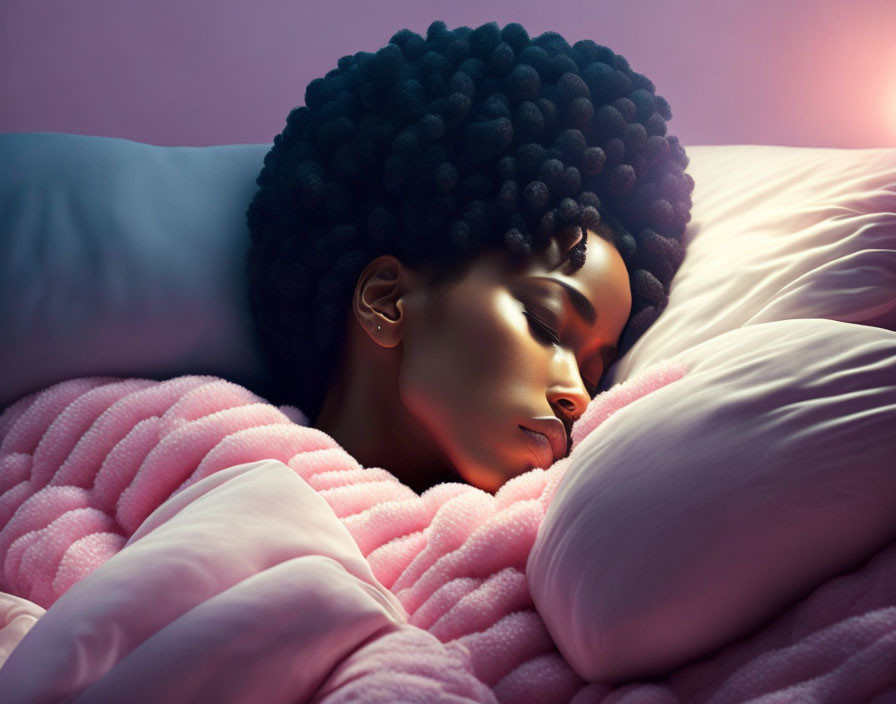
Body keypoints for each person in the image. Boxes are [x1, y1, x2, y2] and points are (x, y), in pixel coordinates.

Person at [245, 20, 694, 493]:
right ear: (385, 301)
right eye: (544, 322)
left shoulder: (574, 530)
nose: (579, 398)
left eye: (592, 375)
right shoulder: (221, 464)